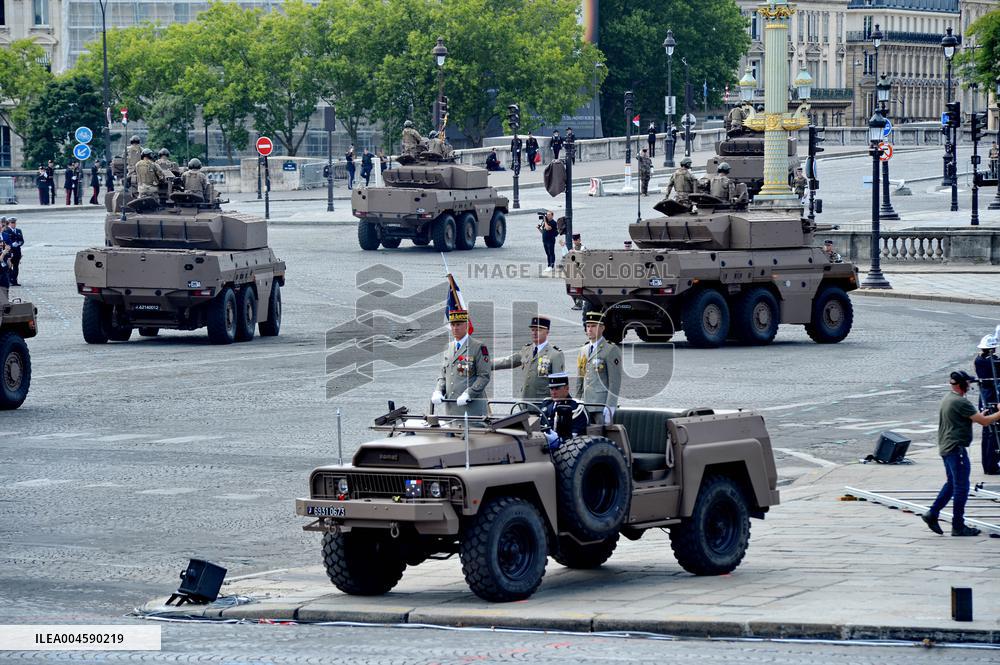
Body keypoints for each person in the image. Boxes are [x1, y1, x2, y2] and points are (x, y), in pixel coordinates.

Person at [921, 370, 1000, 537]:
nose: (970, 386)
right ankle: (958, 526)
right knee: (961, 488)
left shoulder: (948, 398)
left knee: (951, 483)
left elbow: (972, 417)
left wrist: (979, 415)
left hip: (946, 447)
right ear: (962, 384)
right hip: (956, 449)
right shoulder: (960, 402)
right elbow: (985, 422)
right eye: (968, 383)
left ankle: (932, 513)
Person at [432, 308, 492, 417]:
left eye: (458, 324)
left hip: (471, 409)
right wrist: (438, 390)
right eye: (453, 325)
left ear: (466, 325)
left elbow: (484, 376)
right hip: (451, 409)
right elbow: (443, 374)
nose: (455, 328)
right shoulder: (448, 347)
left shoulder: (478, 347)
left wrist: (469, 393)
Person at [492, 316, 566, 401]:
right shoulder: (527, 350)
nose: (534, 333)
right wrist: (485, 364)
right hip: (525, 402)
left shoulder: (555, 354)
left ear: (547, 332)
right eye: (533, 330)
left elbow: (559, 384)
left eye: (538, 330)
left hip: (543, 404)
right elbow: (509, 361)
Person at [576, 310, 622, 424]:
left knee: (601, 435)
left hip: (600, 405)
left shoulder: (610, 350)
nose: (590, 329)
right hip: (585, 404)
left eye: (594, 326)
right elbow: (580, 378)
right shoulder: (583, 350)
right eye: (588, 326)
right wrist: (577, 400)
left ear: (602, 328)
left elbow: (614, 382)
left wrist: (610, 405)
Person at [540, 373, 590, 450]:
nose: (553, 392)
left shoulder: (576, 407)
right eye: (551, 389)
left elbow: (576, 436)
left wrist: (558, 440)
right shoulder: (546, 404)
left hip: (567, 451)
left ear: (567, 388)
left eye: (557, 388)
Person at [974, 331, 1000, 475]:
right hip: (994, 399)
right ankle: (992, 465)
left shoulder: (979, 360)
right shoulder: (993, 362)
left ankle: (989, 464)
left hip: (984, 398)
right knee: (993, 434)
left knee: (988, 433)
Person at [2, 218, 23, 286]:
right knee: (8, 267)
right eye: (12, 223)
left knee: (16, 266)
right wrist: (12, 245)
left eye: (14, 223)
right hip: (10, 251)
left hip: (17, 251)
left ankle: (15, 280)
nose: (14, 224)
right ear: (9, 223)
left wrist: (19, 243)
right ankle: (11, 279)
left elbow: (22, 240)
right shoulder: (6, 231)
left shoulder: (18, 230)